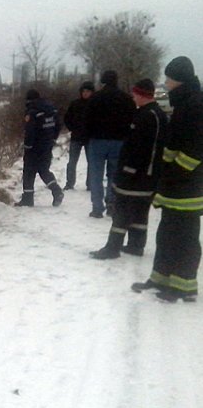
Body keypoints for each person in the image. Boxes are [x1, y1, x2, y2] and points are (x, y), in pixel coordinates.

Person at [132, 56, 203, 302]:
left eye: (169, 78)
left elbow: (194, 150)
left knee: (185, 237)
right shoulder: (185, 101)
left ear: (179, 79)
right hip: (176, 183)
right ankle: (162, 278)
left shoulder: (195, 105)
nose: (165, 82)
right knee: (167, 233)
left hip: (187, 186)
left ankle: (184, 286)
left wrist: (174, 175)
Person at [89, 78, 167, 259]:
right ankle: (136, 245)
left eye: (135, 94)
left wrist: (128, 170)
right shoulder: (150, 113)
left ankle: (112, 247)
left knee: (122, 209)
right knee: (139, 210)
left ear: (141, 94)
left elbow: (142, 148)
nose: (133, 98)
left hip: (137, 175)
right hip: (144, 175)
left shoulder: (150, 116)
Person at [85, 70, 136, 218]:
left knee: (96, 175)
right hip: (119, 141)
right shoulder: (126, 99)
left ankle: (97, 207)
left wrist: (89, 135)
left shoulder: (95, 98)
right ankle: (112, 204)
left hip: (97, 141)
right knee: (114, 174)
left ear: (102, 81)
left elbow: (87, 119)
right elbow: (132, 119)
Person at [14, 89, 64, 207]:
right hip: (47, 146)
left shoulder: (32, 112)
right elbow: (58, 125)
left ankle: (28, 199)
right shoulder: (51, 109)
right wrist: (53, 139)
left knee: (28, 172)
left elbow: (30, 131)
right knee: (43, 170)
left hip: (34, 147)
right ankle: (57, 191)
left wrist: (27, 146)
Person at [64, 81, 95, 190]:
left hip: (90, 138)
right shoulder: (75, 104)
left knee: (91, 162)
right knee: (72, 162)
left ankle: (90, 184)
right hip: (76, 137)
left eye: (88, 91)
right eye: (83, 91)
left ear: (92, 92)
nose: (85, 93)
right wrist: (72, 128)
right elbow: (67, 118)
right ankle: (69, 183)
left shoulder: (95, 104)